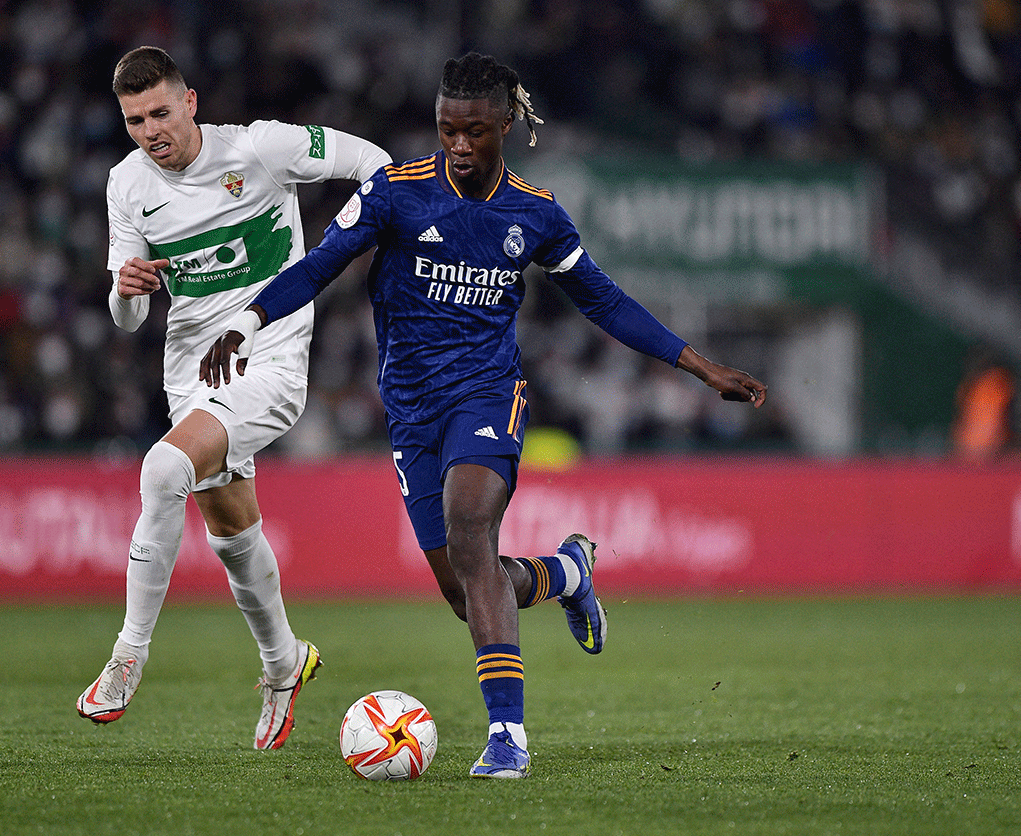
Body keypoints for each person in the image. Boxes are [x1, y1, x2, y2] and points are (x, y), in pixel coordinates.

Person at [201, 52, 767, 778]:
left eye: (474, 132)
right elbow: (319, 266)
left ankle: (508, 739)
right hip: (410, 411)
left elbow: (604, 300)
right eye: (446, 131)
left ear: (505, 124)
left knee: (473, 531)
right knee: (467, 590)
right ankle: (566, 574)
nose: (459, 146)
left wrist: (697, 365)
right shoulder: (395, 194)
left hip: (488, 394)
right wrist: (246, 321)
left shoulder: (534, 213)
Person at [76, 46, 392, 751]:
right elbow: (126, 315)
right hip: (189, 371)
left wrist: (348, 242)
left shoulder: (261, 147)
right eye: (134, 120)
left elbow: (374, 162)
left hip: (269, 362)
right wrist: (124, 293)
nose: (150, 129)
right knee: (230, 531)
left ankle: (129, 655)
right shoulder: (125, 185)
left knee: (162, 471)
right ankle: (284, 663)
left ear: (190, 102)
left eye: (161, 111)